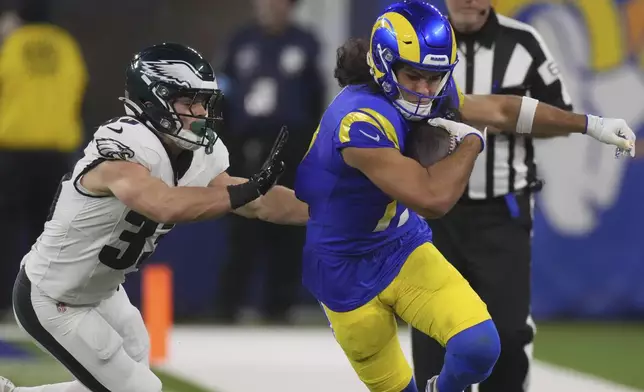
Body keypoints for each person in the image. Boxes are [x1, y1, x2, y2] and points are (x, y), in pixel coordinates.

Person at [293, 1, 635, 392]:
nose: (425, 90)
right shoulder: (360, 121)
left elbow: (500, 109)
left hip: (400, 245)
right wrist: (471, 141)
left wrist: (590, 124)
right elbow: (432, 198)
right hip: (344, 268)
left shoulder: (429, 88)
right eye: (414, 75)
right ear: (385, 66)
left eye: (434, 78)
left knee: (480, 345)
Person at [0, 42, 308, 392]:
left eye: (204, 102)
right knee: (140, 389)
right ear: (153, 100)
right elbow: (163, 204)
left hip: (102, 291)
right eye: (189, 101)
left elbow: (257, 202)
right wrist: (247, 190)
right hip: (54, 297)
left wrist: (333, 215)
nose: (201, 113)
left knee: (126, 375)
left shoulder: (197, 156)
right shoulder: (123, 147)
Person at [410, 0, 576, 390]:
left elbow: (560, 117)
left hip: (501, 209)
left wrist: (507, 119)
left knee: (507, 331)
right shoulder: (416, 39)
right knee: (432, 328)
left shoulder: (523, 43)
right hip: (433, 211)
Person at [214, 0, 324, 324]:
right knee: (242, 222)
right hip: (248, 145)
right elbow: (224, 93)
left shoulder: (304, 42)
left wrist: (307, 143)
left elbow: (314, 96)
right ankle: (228, 304)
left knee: (288, 222)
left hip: (290, 145)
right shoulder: (241, 41)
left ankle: (279, 305)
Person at [0, 0, 88, 319]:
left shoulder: (11, 44)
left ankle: (3, 303)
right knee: (50, 234)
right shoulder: (66, 45)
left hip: (12, 151)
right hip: (55, 152)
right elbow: (79, 90)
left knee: (5, 233)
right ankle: (43, 304)